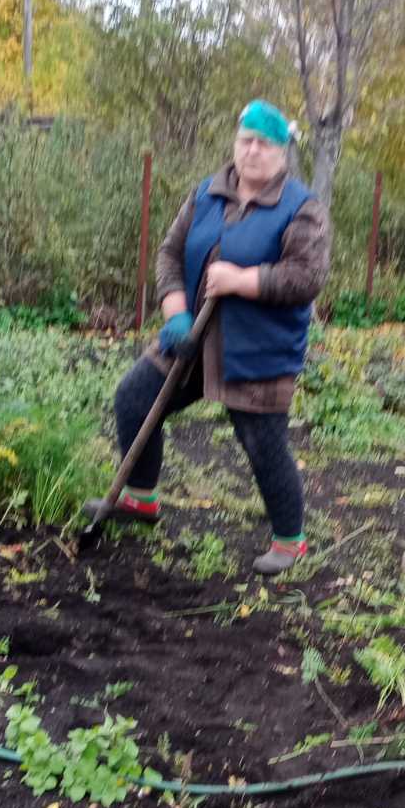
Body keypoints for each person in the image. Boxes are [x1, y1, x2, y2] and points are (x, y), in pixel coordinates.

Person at [85, 99, 330, 576]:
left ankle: (289, 540)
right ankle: (140, 500)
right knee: (136, 398)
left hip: (256, 347)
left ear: (282, 154)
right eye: (245, 141)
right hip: (191, 337)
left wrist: (243, 281)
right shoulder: (207, 193)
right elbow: (170, 253)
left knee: (261, 440)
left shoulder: (302, 209)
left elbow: (307, 277)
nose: (252, 151)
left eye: (264, 144)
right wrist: (175, 311)